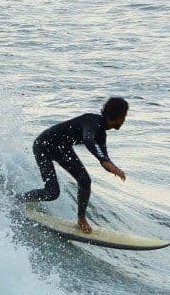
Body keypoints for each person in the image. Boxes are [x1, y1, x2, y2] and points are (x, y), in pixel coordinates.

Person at [17, 97, 128, 233]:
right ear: (117, 116)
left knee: (85, 180)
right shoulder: (91, 121)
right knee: (52, 192)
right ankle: (16, 200)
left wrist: (113, 168)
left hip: (62, 149)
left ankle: (81, 218)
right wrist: (104, 161)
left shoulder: (101, 134)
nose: (124, 120)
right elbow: (88, 139)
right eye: (124, 116)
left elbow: (104, 158)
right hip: (43, 146)